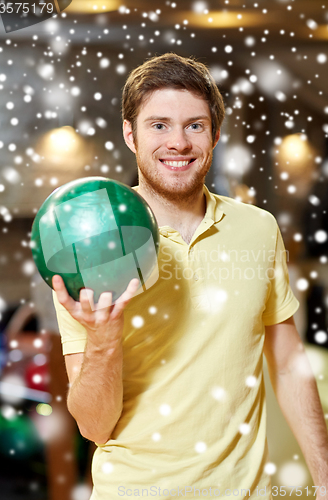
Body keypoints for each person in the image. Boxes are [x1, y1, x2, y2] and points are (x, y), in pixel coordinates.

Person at [52, 53, 328, 499]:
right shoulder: (93, 248)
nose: (178, 143)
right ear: (130, 134)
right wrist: (103, 342)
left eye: (194, 126)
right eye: (158, 125)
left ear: (215, 135)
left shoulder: (259, 228)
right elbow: (93, 427)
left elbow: (288, 362)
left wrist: (325, 477)